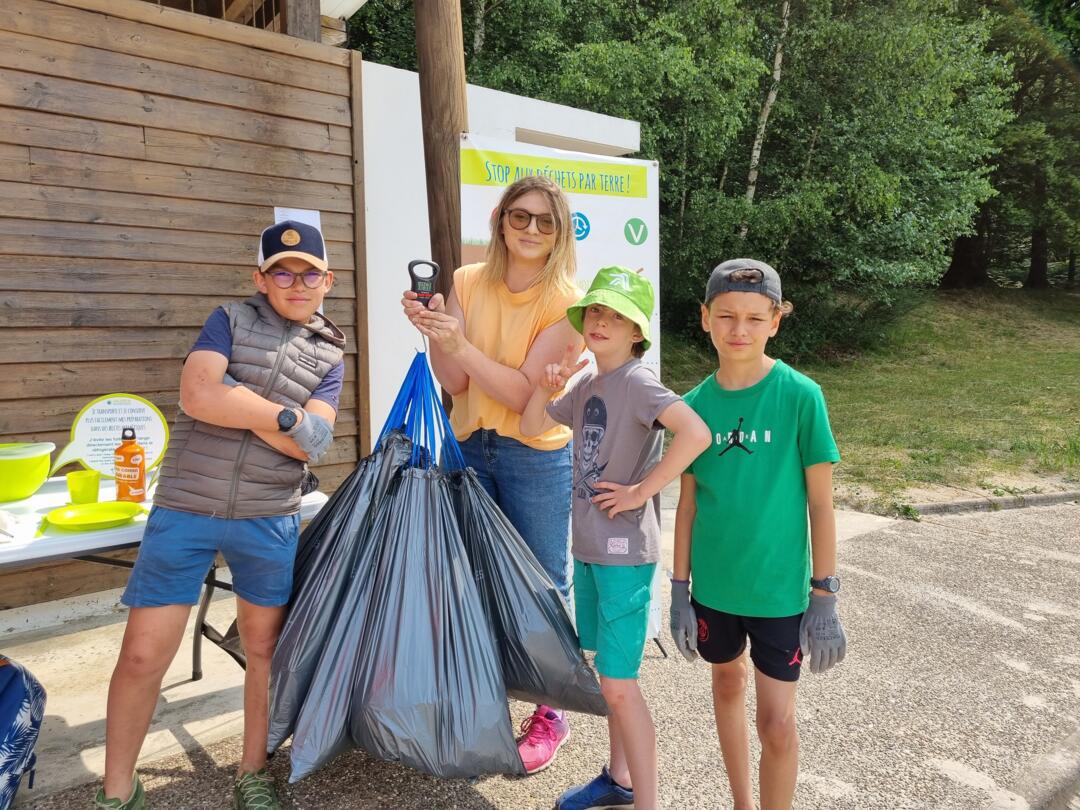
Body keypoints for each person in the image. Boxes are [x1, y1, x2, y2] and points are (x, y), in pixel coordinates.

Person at [96, 220, 346, 810]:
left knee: (263, 650)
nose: (296, 281)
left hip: (269, 515)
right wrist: (284, 415)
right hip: (186, 507)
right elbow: (197, 395)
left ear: (327, 281)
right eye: (282, 271)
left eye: (309, 272)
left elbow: (315, 442)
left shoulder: (330, 353)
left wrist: (248, 402)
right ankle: (116, 790)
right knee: (142, 654)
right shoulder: (227, 320)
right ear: (259, 278)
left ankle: (252, 772)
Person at [402, 176, 583, 773]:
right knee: (472, 578)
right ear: (501, 220)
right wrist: (436, 333)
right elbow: (454, 383)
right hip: (468, 444)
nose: (530, 229)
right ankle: (484, 699)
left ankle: (550, 710)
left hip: (535, 450)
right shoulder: (462, 282)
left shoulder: (568, 301)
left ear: (559, 232)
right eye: (520, 216)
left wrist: (461, 344)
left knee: (541, 581)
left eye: (545, 221)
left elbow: (521, 391)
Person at [521, 266, 711, 810]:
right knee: (610, 678)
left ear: (636, 333)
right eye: (596, 312)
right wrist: (545, 385)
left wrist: (639, 491)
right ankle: (619, 780)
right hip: (590, 548)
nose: (602, 321)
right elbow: (533, 426)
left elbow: (696, 432)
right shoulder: (586, 383)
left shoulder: (639, 381)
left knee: (621, 686)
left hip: (625, 555)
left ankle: (645, 800)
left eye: (616, 315)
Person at [669, 259, 847, 810]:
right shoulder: (693, 406)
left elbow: (821, 502)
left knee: (777, 725)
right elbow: (689, 504)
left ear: (775, 321)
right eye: (725, 316)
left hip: (779, 596)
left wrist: (825, 594)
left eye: (753, 317)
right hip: (715, 591)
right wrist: (678, 589)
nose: (738, 330)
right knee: (725, 684)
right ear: (705, 318)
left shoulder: (800, 396)